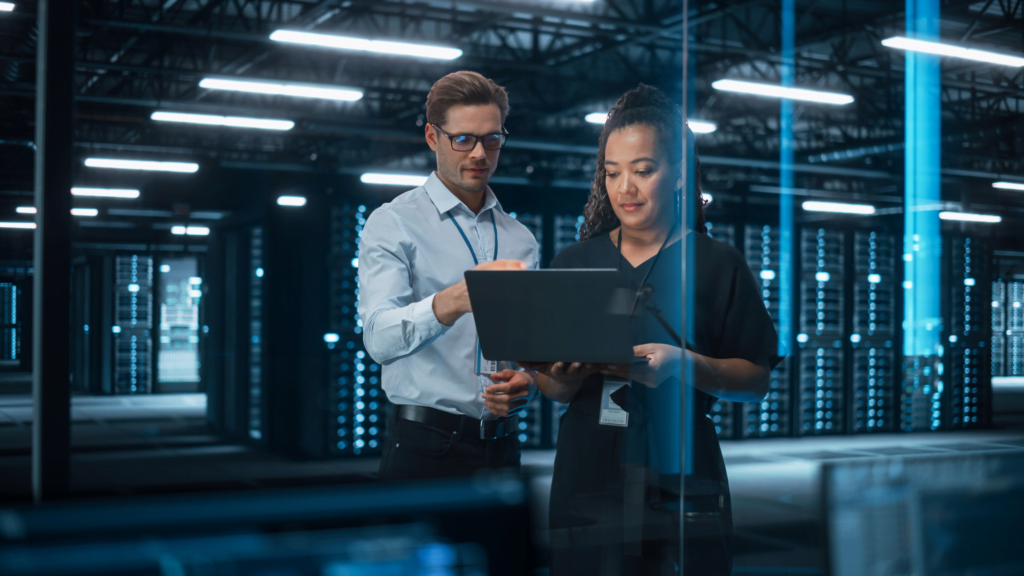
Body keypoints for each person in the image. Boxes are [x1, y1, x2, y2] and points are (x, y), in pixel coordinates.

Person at [526, 84, 782, 575]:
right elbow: (555, 390)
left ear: (680, 174)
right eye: (612, 173)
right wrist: (564, 374)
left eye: (643, 171)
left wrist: (686, 365)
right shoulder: (575, 262)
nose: (625, 188)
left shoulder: (717, 264)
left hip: (682, 465)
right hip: (589, 464)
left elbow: (756, 382)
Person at [359, 71, 538, 481]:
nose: (479, 153)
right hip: (425, 447)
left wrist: (527, 379)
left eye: (492, 139)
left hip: (504, 446)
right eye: (463, 139)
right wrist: (454, 300)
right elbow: (378, 339)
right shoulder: (393, 223)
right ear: (431, 137)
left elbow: (529, 347)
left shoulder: (520, 238)